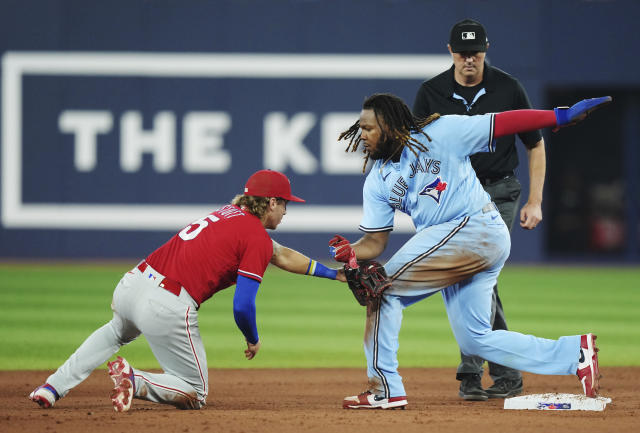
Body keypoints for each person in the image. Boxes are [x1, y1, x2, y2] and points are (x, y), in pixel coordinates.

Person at [330, 93, 609, 410]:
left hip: (474, 228)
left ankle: (385, 389)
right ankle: (575, 354)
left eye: (368, 128)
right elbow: (375, 243)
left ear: (390, 125)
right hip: (463, 244)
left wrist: (558, 117)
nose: (362, 134)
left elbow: (504, 122)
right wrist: (351, 252)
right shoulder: (377, 180)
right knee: (475, 338)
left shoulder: (441, 132)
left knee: (382, 289)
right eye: (360, 128)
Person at [29, 169, 346, 411]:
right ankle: (135, 380)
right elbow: (242, 306)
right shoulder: (255, 237)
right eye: (285, 204)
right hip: (166, 303)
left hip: (134, 282)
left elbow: (282, 254)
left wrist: (334, 275)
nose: (287, 212)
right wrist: (252, 338)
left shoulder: (229, 214)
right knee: (195, 392)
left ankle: (51, 388)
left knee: (114, 332)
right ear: (272, 202)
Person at [412, 18, 546, 401]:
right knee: (474, 279)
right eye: (462, 52)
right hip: (453, 197)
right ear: (450, 52)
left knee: (476, 270)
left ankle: (471, 372)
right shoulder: (431, 92)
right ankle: (507, 376)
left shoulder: (508, 88)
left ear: (486, 50)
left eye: (476, 52)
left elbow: (535, 144)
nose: (470, 59)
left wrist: (535, 201)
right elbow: (420, 152)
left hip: (498, 192)